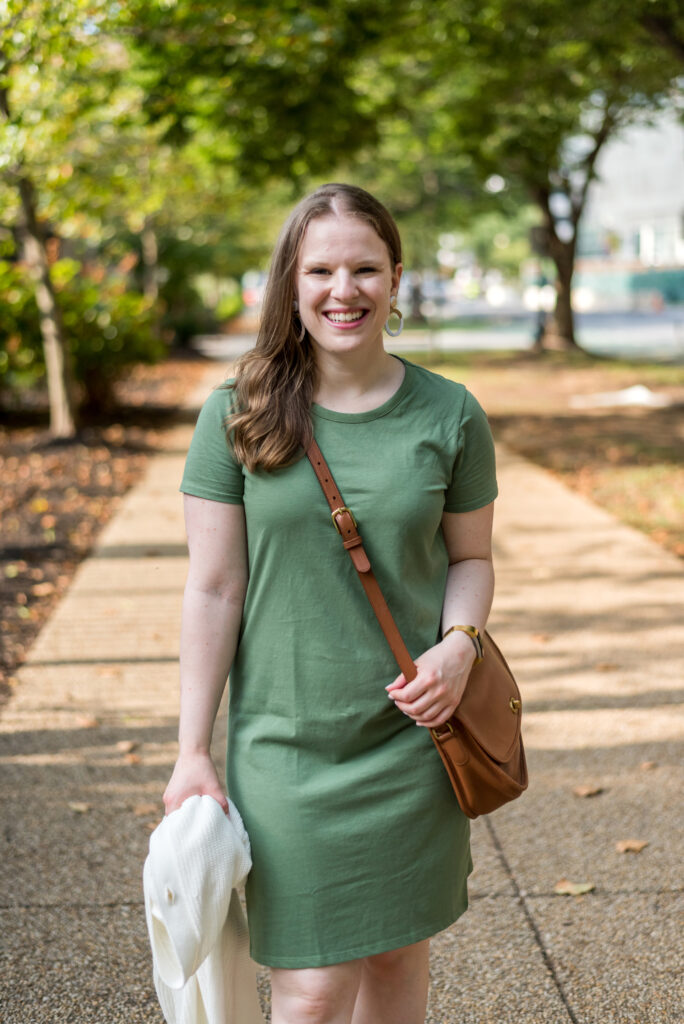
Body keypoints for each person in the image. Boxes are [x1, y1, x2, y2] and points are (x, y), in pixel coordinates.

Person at [163, 183, 497, 1024]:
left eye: (364, 269)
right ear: (291, 280)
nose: (342, 290)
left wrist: (459, 645)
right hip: (284, 747)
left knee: (395, 966)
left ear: (395, 279)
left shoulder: (450, 414)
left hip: (414, 738)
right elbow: (212, 588)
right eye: (320, 270)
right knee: (310, 992)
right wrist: (192, 749)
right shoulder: (236, 414)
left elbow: (472, 559)